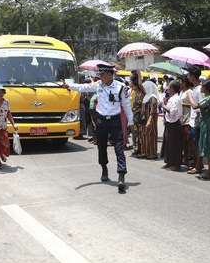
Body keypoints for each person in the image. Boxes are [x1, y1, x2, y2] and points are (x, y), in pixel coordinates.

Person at [62, 64, 134, 192]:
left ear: (110, 75)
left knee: (119, 149)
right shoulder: (98, 85)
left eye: (102, 75)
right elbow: (83, 87)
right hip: (101, 121)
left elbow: (127, 105)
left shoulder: (121, 87)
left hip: (115, 121)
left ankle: (121, 176)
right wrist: (69, 86)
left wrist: (131, 122)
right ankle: (104, 169)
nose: (100, 77)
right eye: (100, 75)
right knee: (101, 147)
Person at [187, 79, 210, 179]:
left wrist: (189, 95)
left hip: (208, 124)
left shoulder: (208, 98)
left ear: (205, 88)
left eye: (202, 86)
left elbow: (194, 106)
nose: (200, 88)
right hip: (209, 122)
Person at [159, 80, 183, 171]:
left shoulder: (175, 99)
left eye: (169, 87)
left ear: (172, 89)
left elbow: (172, 112)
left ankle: (176, 164)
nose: (167, 89)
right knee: (169, 143)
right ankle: (170, 161)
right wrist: (165, 104)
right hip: (171, 123)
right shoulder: (173, 98)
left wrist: (162, 105)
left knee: (174, 144)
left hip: (174, 124)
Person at [186, 66, 205, 174]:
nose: (188, 77)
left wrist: (189, 96)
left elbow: (201, 105)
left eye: (189, 75)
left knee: (197, 144)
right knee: (193, 143)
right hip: (192, 120)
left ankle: (199, 165)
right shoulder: (194, 89)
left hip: (197, 121)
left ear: (193, 76)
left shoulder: (199, 90)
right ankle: (197, 162)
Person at [139, 80, 159, 159]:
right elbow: (140, 87)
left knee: (151, 136)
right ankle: (145, 152)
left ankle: (152, 153)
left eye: (145, 87)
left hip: (150, 120)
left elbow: (153, 109)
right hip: (144, 119)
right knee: (144, 135)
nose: (144, 89)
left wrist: (150, 119)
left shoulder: (153, 97)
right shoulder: (146, 96)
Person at [179, 75, 193, 166]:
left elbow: (193, 105)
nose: (179, 83)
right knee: (183, 140)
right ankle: (185, 157)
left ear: (184, 83)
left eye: (180, 82)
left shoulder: (189, 92)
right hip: (181, 118)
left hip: (188, 118)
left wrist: (182, 104)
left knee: (187, 140)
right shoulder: (181, 92)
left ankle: (188, 157)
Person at [130, 74, 145, 154]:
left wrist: (136, 112)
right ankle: (135, 147)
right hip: (134, 116)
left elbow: (143, 106)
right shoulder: (135, 94)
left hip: (138, 116)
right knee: (135, 133)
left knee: (138, 133)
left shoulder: (141, 95)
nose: (133, 87)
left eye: (134, 85)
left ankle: (138, 148)